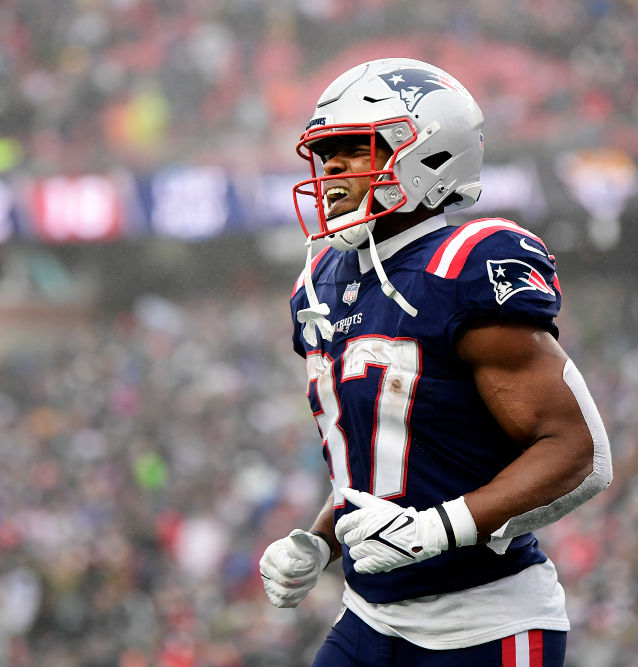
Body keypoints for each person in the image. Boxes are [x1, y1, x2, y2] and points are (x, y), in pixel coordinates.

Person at [259, 57, 613, 667]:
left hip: (484, 622)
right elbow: (393, 457)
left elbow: (581, 455)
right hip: (370, 618)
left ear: (427, 156)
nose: (333, 170)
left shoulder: (465, 265)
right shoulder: (318, 283)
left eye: (355, 149)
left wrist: (436, 531)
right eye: (327, 154)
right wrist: (320, 540)